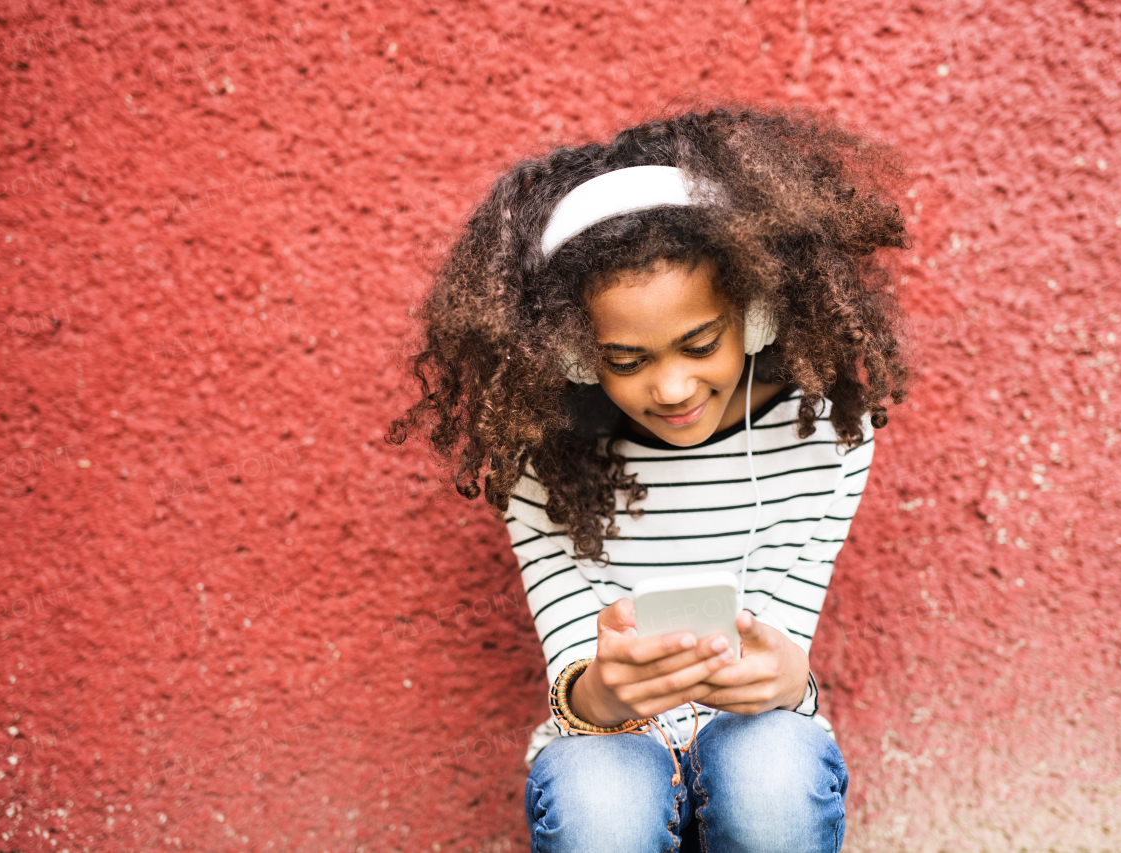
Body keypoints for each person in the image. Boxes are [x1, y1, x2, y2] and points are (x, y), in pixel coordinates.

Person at [386, 102, 914, 853]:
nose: (671, 388)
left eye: (700, 343)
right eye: (626, 361)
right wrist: (602, 689)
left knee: (772, 769)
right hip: (603, 742)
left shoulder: (825, 435)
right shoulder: (544, 455)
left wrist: (791, 680)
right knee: (600, 795)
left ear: (757, 314)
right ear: (573, 354)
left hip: (759, 742)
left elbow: (782, 650)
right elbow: (571, 668)